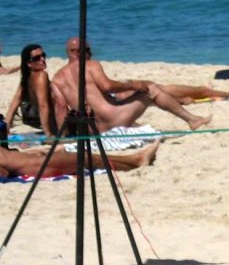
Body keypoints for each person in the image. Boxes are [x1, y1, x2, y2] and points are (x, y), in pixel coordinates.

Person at [51, 38, 211, 133]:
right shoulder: (90, 65)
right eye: (88, 50)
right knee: (151, 89)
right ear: (81, 51)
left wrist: (61, 138)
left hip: (96, 128)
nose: (90, 53)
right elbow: (107, 86)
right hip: (114, 118)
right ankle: (192, 120)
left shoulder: (57, 79)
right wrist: (132, 85)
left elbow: (61, 108)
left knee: (125, 98)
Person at [0, 141, 159, 179]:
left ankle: (135, 160)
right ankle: (135, 161)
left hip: (36, 160)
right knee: (84, 158)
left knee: (86, 157)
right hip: (37, 166)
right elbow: (4, 173)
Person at [5, 44, 57, 138]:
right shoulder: (41, 76)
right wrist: (48, 133)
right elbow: (43, 105)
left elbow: (15, 103)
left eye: (43, 55)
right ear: (29, 63)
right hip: (56, 124)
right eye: (37, 58)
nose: (42, 59)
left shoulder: (27, 78)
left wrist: (6, 127)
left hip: (41, 121)